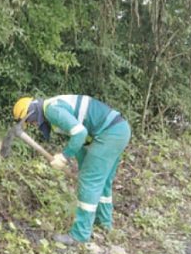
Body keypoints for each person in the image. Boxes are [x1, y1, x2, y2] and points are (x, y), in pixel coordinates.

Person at [12, 95, 131, 246]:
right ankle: (104, 223)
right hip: (118, 130)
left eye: (30, 121)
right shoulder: (53, 107)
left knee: (89, 182)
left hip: (109, 133)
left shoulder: (52, 110)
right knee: (102, 181)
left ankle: (79, 236)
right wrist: (82, 165)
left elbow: (79, 133)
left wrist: (64, 157)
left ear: (31, 112)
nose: (34, 125)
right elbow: (82, 136)